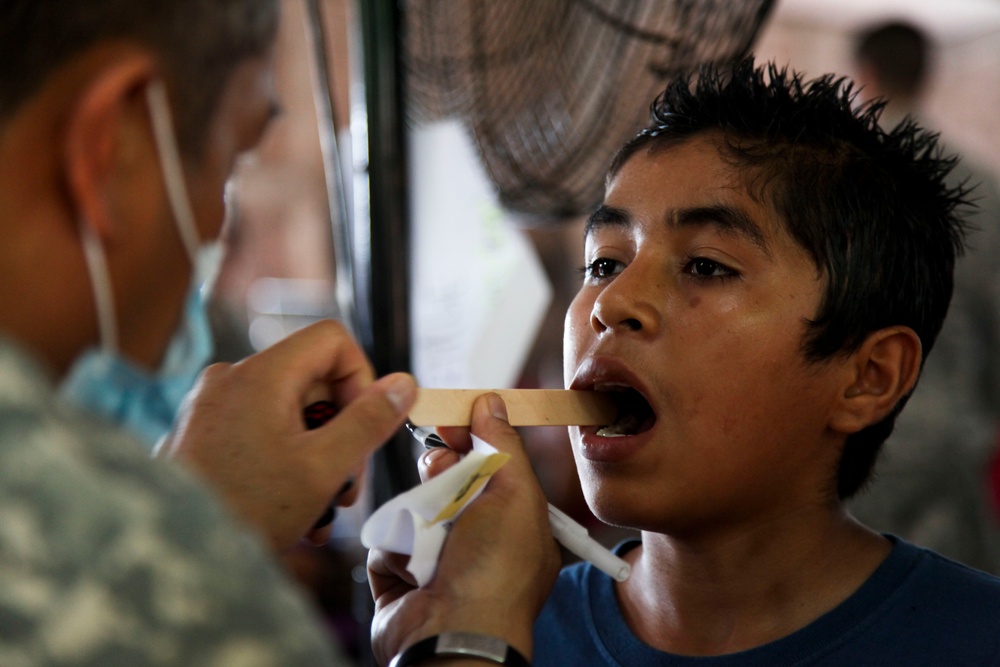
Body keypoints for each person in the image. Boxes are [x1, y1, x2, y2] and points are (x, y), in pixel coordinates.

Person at [368, 57, 1000, 666]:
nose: (612, 302)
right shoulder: (491, 625)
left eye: (706, 266)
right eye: (604, 263)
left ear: (869, 376)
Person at [0, 1, 422, 663]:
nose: (209, 232)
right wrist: (472, 637)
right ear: (111, 145)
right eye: (232, 158)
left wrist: (191, 507)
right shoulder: (160, 589)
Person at [848, 20, 1000, 574]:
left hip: (848, 432)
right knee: (953, 615)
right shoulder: (983, 188)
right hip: (952, 437)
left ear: (862, 76)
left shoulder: (831, 184)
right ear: (925, 75)